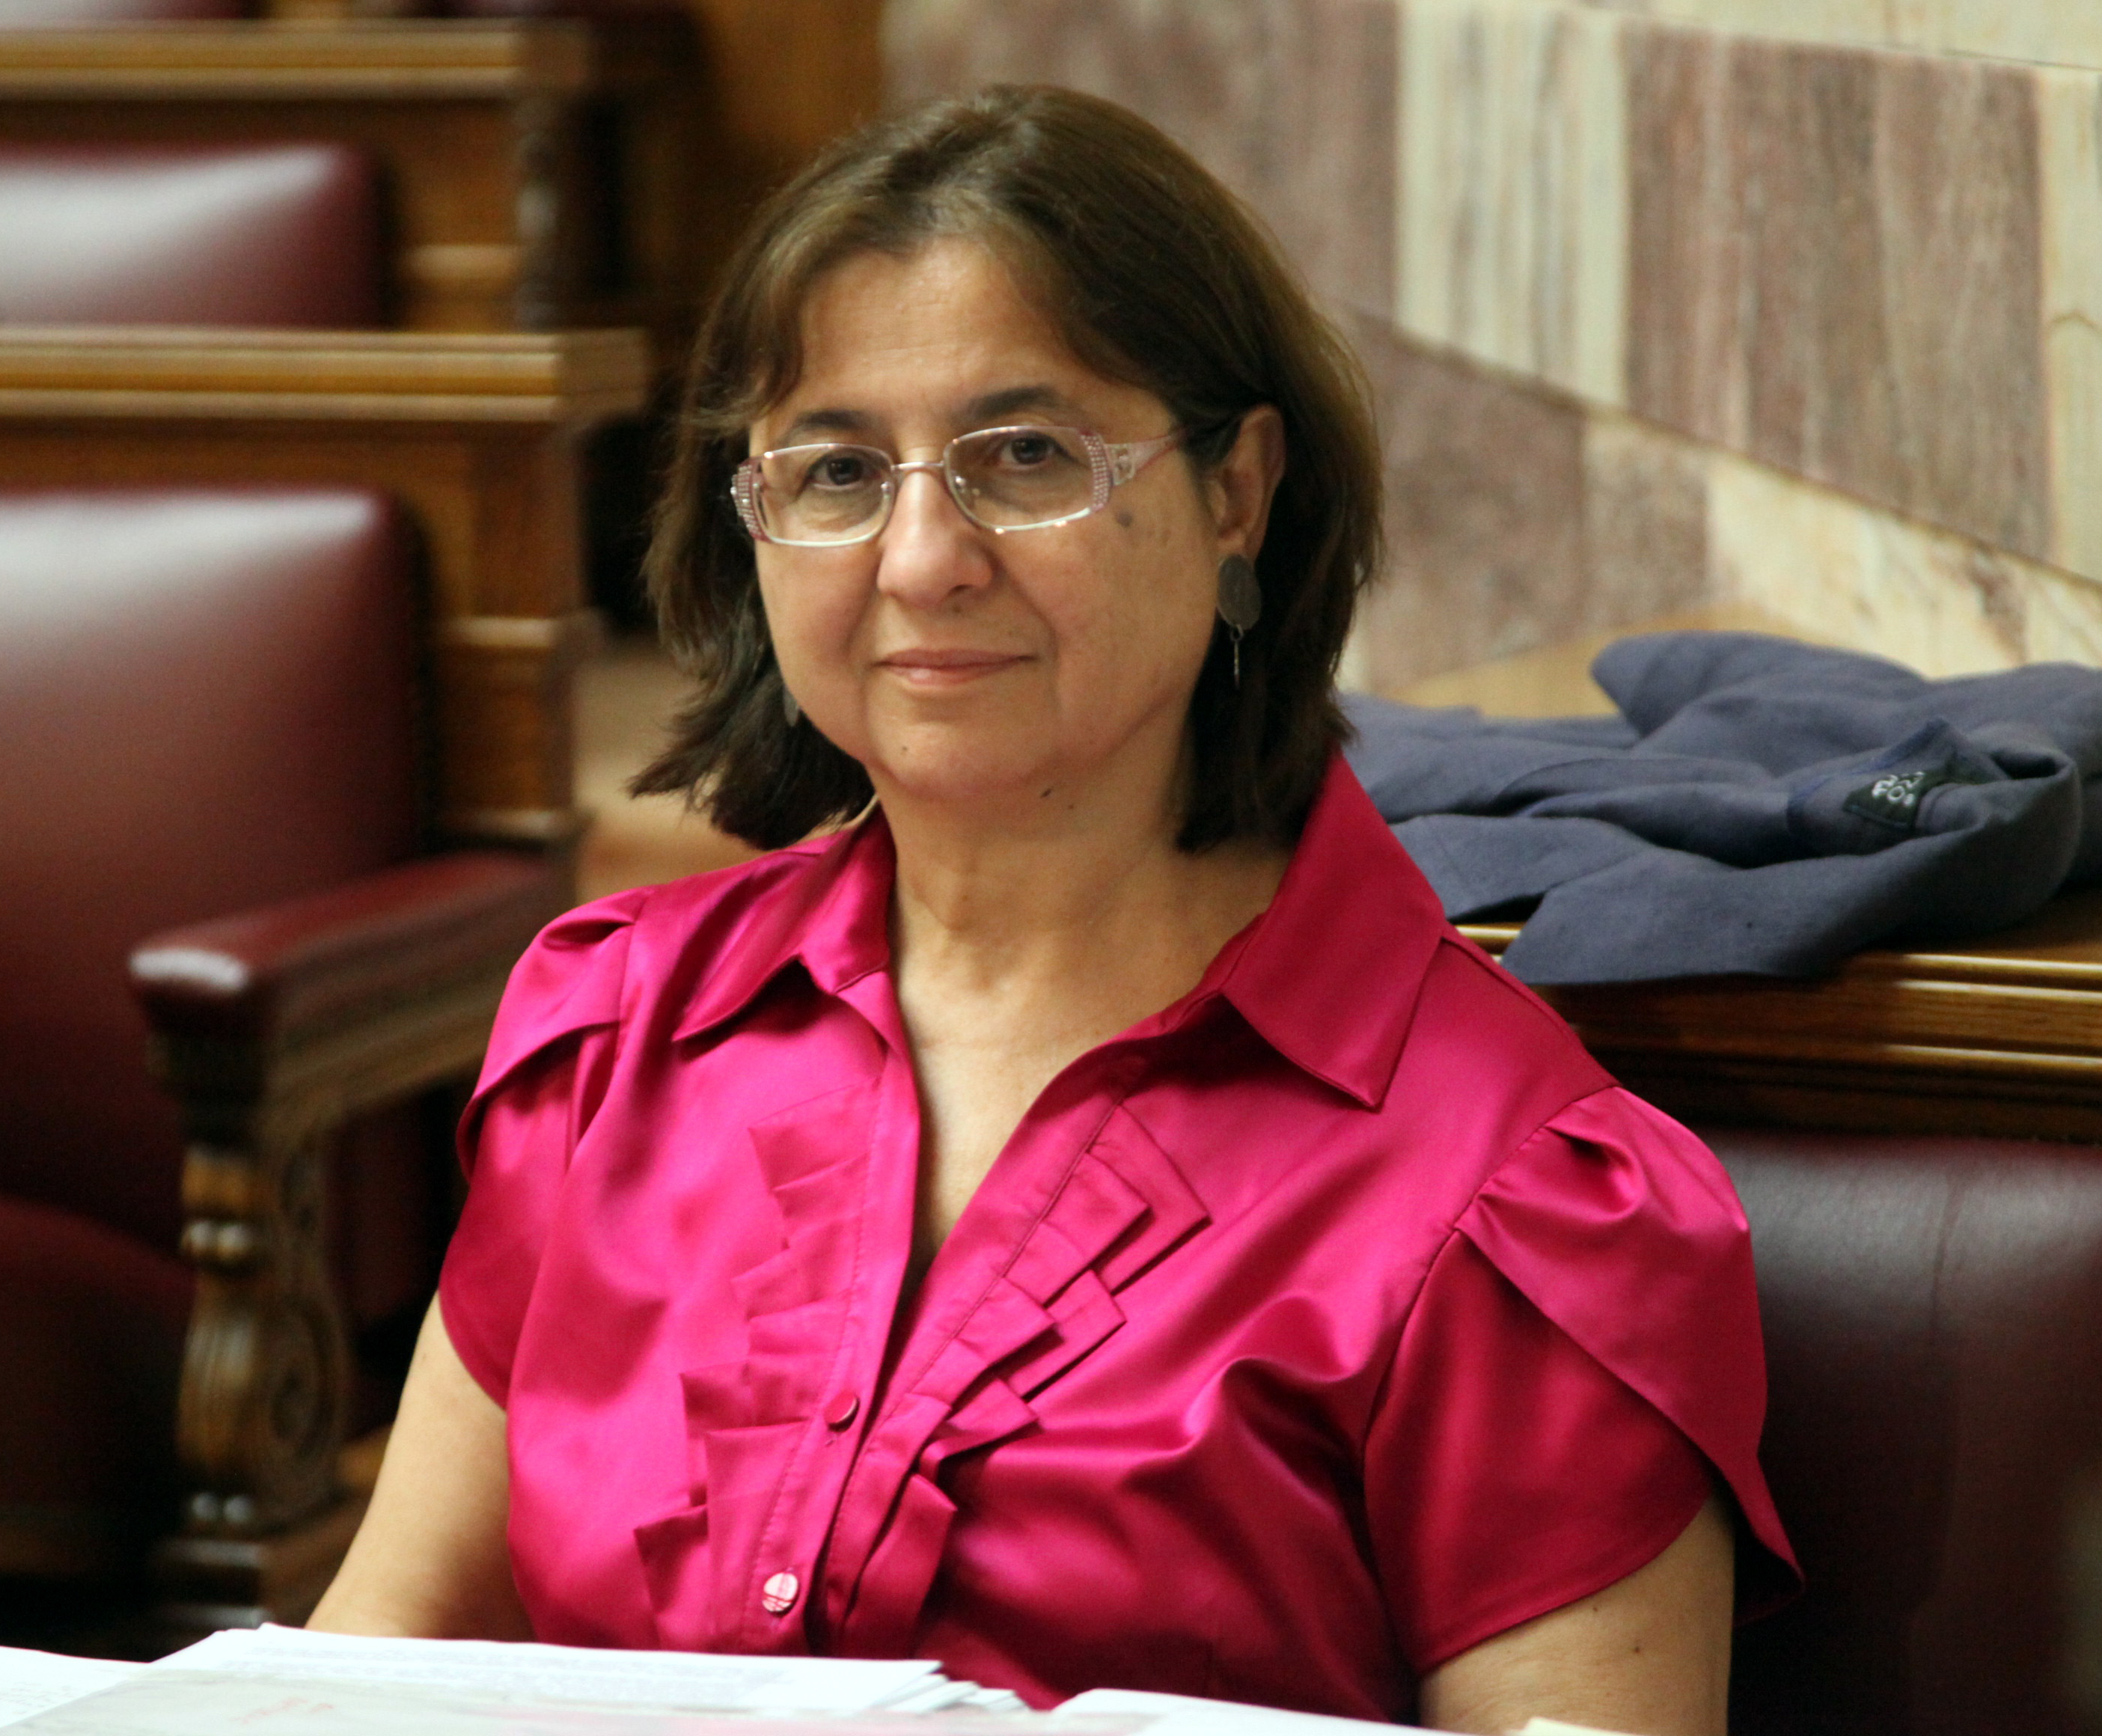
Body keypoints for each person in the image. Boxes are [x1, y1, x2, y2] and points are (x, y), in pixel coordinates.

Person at [311, 84, 1797, 1735]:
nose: (920, 558)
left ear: (1237, 491)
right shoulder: (616, 1035)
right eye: (836, 470)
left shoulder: (1515, 1200)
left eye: (1024, 457)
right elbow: (369, 1674)